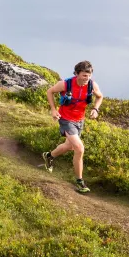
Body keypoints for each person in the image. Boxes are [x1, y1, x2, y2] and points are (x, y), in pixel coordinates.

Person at [44, 60, 102, 194]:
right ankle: (79, 181)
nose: (86, 78)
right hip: (65, 119)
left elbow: (100, 97)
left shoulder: (92, 85)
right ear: (76, 74)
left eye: (89, 75)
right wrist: (53, 110)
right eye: (83, 75)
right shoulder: (65, 84)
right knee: (79, 148)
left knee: (69, 146)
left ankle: (49, 156)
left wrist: (96, 109)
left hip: (79, 120)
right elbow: (50, 91)